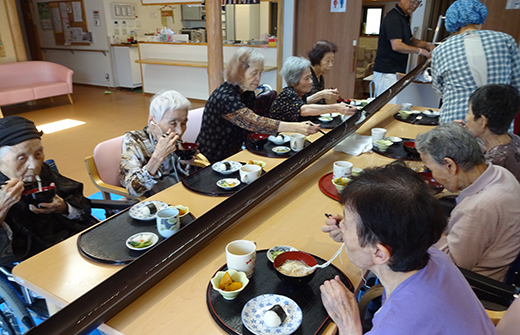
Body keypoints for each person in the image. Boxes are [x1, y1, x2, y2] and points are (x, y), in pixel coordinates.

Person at [320, 162, 496, 335]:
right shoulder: (436, 257)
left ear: (379, 253)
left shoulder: (395, 326)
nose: (341, 225)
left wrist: (348, 326)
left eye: (347, 224)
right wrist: (356, 239)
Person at [416, 124, 520, 282]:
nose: (433, 175)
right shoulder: (501, 174)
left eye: (431, 169)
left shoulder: (476, 210)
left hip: (476, 287)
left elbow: (450, 267)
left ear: (450, 165)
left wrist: (424, 223)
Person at [196, 47, 320, 163]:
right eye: (254, 73)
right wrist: (297, 127)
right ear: (239, 71)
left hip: (232, 155)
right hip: (209, 159)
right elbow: (253, 122)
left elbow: (247, 129)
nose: (258, 78)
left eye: (260, 73)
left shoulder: (248, 92)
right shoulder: (225, 96)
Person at [0, 116, 96, 266]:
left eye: (38, 154)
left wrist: (64, 207)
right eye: (21, 158)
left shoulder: (43, 172)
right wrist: (2, 208)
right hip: (31, 262)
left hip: (71, 243)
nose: (34, 165)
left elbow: (78, 201)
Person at [431, 0, 520, 127]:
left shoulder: (441, 49)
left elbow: (440, 89)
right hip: (498, 120)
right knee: (498, 147)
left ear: (451, 24)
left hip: (456, 118)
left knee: (454, 145)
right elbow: (516, 85)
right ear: (479, 18)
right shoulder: (506, 40)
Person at [120, 90, 197, 198]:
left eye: (184, 123)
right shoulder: (133, 140)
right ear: (152, 121)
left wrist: (184, 162)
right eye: (173, 123)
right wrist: (158, 157)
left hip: (178, 193)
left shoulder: (172, 134)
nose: (179, 131)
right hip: (151, 202)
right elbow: (133, 190)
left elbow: (178, 173)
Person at [373, 0, 434, 98]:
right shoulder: (393, 18)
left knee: (396, 102)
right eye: (412, 2)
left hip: (397, 69)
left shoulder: (404, 17)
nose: (415, 6)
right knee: (386, 104)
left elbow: (410, 40)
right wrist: (420, 51)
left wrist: (428, 45)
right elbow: (397, 45)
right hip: (387, 71)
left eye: (418, 3)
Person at [269, 57, 357, 122]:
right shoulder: (287, 94)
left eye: (311, 77)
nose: (311, 81)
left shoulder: (300, 93)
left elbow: (305, 102)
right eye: (307, 78)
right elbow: (303, 109)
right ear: (293, 81)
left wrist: (322, 94)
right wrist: (336, 108)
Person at [461, 84, 520, 182]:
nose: (466, 118)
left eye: (469, 112)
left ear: (483, 121)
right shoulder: (515, 140)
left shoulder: (491, 166)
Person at [302, 40, 340, 105]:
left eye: (332, 61)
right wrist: (321, 95)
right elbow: (300, 104)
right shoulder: (306, 75)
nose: (331, 65)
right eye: (327, 61)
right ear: (317, 59)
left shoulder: (320, 76)